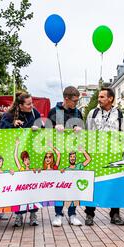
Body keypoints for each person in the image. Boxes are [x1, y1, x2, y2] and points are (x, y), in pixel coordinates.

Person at [84, 87, 124, 226]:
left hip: (114, 154)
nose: (99, 99)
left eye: (102, 97)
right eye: (99, 97)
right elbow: (88, 132)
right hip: (96, 154)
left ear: (110, 99)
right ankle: (89, 214)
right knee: (93, 184)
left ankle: (115, 214)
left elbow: (123, 134)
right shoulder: (93, 113)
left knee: (115, 184)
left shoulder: (120, 114)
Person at [1, 93, 43, 227]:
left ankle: (33, 214)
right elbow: (1, 131)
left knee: (32, 185)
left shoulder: (35, 113)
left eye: (32, 103)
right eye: (28, 104)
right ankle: (18, 215)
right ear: (20, 105)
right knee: (18, 185)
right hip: (17, 153)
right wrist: (12, 125)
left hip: (32, 154)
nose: (32, 106)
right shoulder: (9, 115)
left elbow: (43, 130)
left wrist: (39, 129)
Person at [47, 86, 84, 227]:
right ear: (66, 99)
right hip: (58, 154)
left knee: (74, 185)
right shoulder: (54, 111)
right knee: (59, 186)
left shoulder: (78, 112)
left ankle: (73, 214)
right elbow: (45, 133)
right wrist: (53, 128)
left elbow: (84, 132)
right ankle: (58, 214)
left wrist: (80, 128)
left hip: (73, 154)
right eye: (74, 101)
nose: (76, 103)